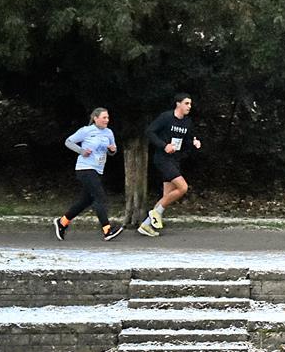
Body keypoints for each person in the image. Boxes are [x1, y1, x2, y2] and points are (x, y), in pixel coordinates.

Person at [53, 107, 125, 241]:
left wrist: (112, 150)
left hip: (98, 169)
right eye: (104, 118)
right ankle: (107, 230)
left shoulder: (109, 133)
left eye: (108, 118)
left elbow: (112, 151)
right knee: (100, 196)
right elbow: (68, 142)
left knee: (85, 200)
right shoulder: (86, 131)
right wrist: (82, 151)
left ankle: (62, 222)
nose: (107, 120)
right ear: (95, 118)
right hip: (85, 168)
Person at [138, 93, 201, 238]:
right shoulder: (166, 117)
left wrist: (194, 142)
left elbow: (188, 140)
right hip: (162, 159)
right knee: (183, 187)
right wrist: (164, 145)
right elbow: (149, 132)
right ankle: (154, 213)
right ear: (178, 104)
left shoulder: (187, 122)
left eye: (190, 104)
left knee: (166, 198)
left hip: (175, 160)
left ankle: (146, 225)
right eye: (186, 103)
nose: (189, 107)